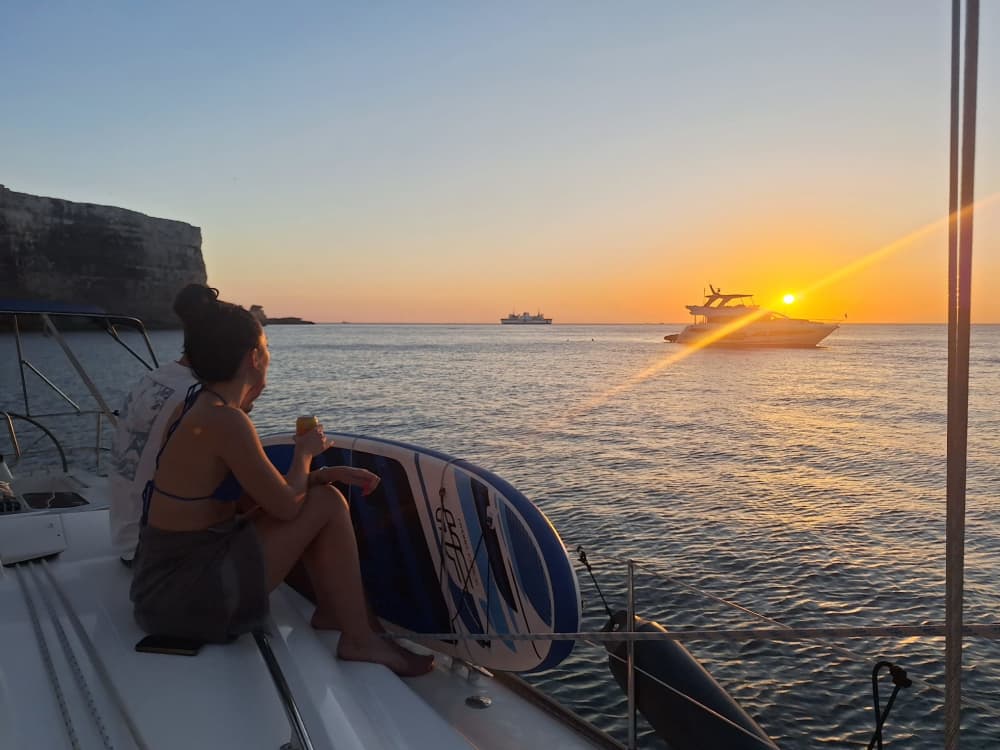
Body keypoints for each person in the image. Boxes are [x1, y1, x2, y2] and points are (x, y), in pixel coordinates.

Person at [128, 284, 432, 676]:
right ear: (254, 357)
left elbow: (263, 498)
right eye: (267, 347)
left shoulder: (199, 405)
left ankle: (333, 613)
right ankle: (358, 638)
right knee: (325, 503)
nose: (269, 356)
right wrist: (305, 453)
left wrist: (323, 474)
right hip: (184, 600)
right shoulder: (226, 421)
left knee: (322, 494)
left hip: (164, 584)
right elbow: (287, 505)